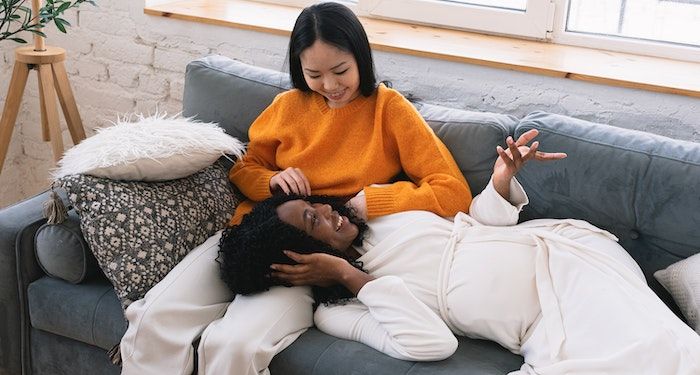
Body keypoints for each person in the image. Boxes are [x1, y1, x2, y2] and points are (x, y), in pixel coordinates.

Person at [120, 2, 564, 374]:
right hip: (251, 239)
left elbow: (451, 191)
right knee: (154, 319)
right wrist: (272, 180)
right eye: (314, 74)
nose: (330, 87)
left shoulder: (389, 109)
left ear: (360, 57)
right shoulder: (288, 106)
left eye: (340, 71)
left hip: (314, 258)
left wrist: (377, 199)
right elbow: (245, 168)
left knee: (233, 345)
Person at [218, 179, 700, 375]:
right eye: (311, 221)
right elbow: (432, 345)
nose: (327, 210)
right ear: (299, 256)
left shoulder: (379, 215)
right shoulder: (341, 310)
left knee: (665, 352)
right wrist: (349, 276)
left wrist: (500, 182)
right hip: (541, 325)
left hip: (564, 261)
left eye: (316, 205)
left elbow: (476, 225)